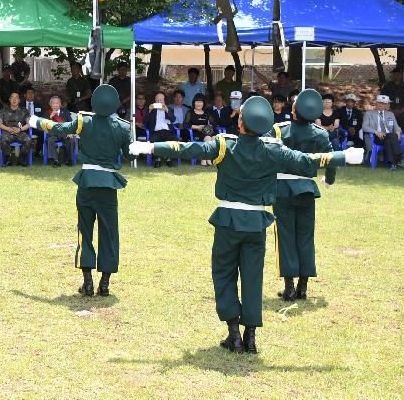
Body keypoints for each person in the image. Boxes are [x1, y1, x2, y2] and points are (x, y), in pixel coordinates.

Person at [130, 96, 362, 354]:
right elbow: (308, 161)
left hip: (229, 221)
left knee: (224, 274)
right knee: (253, 279)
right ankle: (250, 336)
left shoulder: (223, 145)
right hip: (256, 224)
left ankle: (233, 334)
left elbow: (186, 149)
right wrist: (344, 156)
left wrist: (151, 147)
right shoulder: (274, 149)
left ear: (240, 122)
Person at [31, 85, 131, 296]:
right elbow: (129, 154)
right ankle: (104, 284)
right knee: (109, 232)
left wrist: (36, 121)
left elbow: (59, 129)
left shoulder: (83, 121)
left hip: (86, 183)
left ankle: (87, 282)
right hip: (108, 186)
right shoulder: (123, 127)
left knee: (84, 231)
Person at [269, 89, 335, 303]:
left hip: (283, 191)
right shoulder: (321, 133)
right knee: (305, 237)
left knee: (286, 237)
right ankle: (303, 287)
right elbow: (331, 159)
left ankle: (289, 288)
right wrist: (330, 180)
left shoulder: (279, 130)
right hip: (307, 190)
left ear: (294, 111)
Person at [362, 94, 403, 169]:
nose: (381, 104)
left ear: (386, 105)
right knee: (392, 136)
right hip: (376, 137)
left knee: (389, 140)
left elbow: (396, 126)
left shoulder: (390, 114)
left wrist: (397, 131)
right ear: (376, 103)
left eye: (383, 103)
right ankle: (400, 158)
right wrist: (376, 132)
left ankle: (392, 164)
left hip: (389, 138)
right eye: (379, 102)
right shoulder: (368, 114)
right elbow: (364, 127)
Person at [0, 91, 34, 166]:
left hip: (20, 132)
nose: (14, 100)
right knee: (3, 139)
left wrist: (20, 129)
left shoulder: (24, 111)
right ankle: (9, 159)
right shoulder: (3, 111)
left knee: (28, 140)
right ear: (9, 99)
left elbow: (29, 123)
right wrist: (8, 129)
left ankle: (21, 158)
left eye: (16, 98)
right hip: (7, 132)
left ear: (19, 100)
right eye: (12, 97)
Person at [143, 91, 176, 167]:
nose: (159, 101)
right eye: (157, 100)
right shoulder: (151, 110)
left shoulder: (169, 109)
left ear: (164, 100)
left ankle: (169, 159)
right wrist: (149, 110)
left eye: (161, 100)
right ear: (154, 101)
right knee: (154, 140)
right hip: (156, 131)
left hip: (167, 131)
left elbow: (173, 119)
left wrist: (166, 110)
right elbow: (145, 122)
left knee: (173, 139)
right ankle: (158, 159)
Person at [184, 94, 215, 165]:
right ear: (194, 103)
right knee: (208, 138)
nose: (198, 104)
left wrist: (208, 125)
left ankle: (208, 158)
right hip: (195, 133)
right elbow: (185, 124)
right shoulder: (190, 112)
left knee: (213, 137)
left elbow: (214, 123)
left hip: (206, 131)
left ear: (203, 103)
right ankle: (204, 159)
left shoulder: (206, 113)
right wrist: (197, 127)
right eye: (197, 102)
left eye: (201, 102)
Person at [45, 95, 75, 167]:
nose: (55, 105)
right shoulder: (47, 113)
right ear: (50, 104)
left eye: (57, 103)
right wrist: (51, 117)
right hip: (53, 134)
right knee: (50, 140)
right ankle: (55, 160)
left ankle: (68, 160)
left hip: (64, 134)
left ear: (60, 104)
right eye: (53, 103)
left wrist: (70, 132)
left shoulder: (66, 112)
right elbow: (45, 125)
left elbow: (71, 124)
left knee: (70, 139)